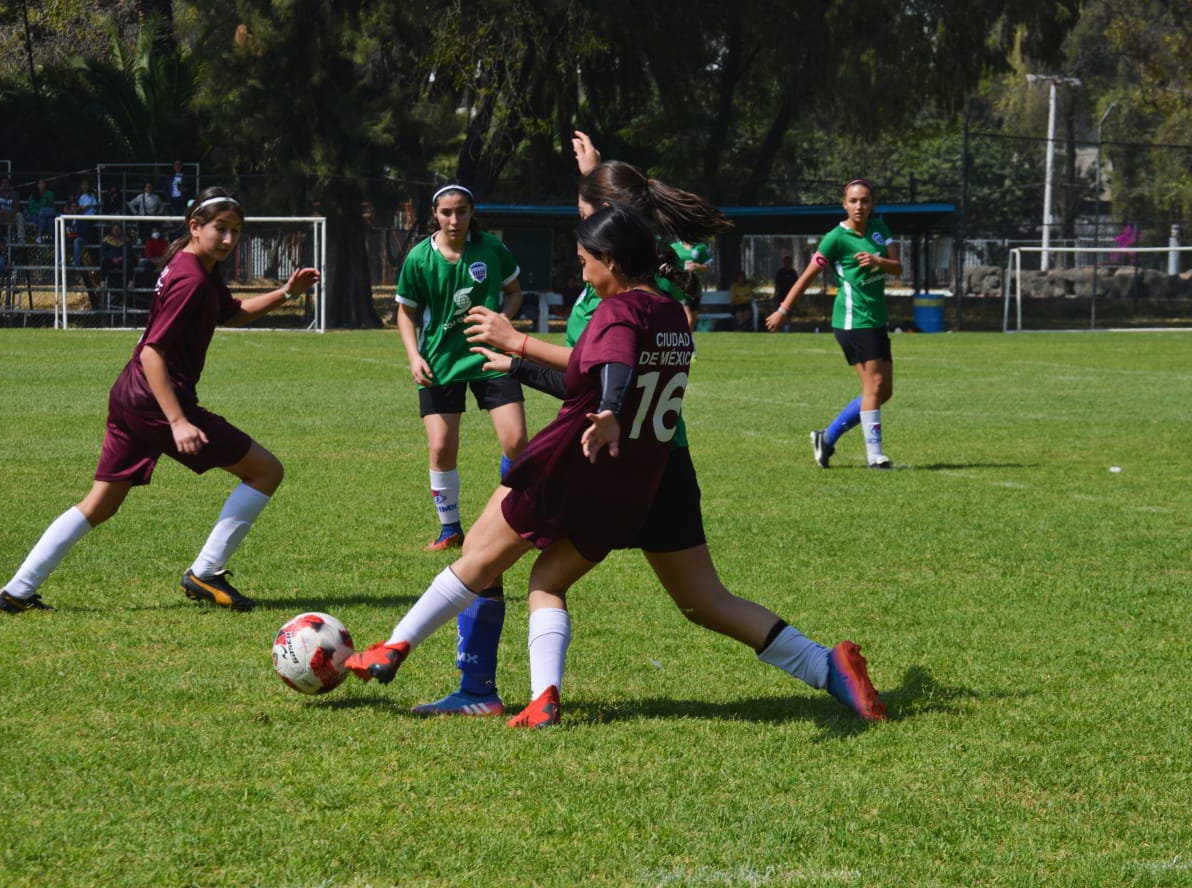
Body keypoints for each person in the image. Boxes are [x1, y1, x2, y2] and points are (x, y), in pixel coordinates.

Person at [399, 133, 885, 725]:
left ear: (612, 231)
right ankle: (824, 666)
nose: (581, 230)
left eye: (586, 217)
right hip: (665, 458)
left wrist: (523, 349)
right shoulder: (663, 286)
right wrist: (594, 172)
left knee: (491, 553)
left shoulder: (613, 300)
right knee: (704, 600)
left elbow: (606, 370)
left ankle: (459, 676)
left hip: (603, 453)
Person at [347, 204, 700, 726]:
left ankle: (393, 646)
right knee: (546, 582)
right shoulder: (673, 314)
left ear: (610, 259)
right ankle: (543, 699)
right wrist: (519, 365)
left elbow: (616, 368)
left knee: (478, 558)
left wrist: (603, 410)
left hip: (569, 465)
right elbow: (588, 377)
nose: (582, 273)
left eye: (585, 262)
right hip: (627, 487)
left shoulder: (619, 311)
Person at [0, 187, 321, 615]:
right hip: (157, 402)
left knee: (101, 503)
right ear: (195, 226)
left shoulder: (192, 265)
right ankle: (206, 572)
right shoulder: (191, 279)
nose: (228, 240)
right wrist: (178, 421)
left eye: (235, 232)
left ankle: (16, 591)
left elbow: (231, 312)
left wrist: (285, 293)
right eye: (220, 229)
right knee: (265, 471)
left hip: (130, 396)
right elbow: (153, 353)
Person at [394, 181, 528, 553]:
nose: (454, 219)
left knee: (517, 441)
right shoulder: (419, 258)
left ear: (472, 213)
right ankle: (450, 528)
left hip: (490, 357)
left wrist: (501, 321)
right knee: (440, 447)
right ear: (434, 215)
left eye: (462, 211)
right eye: (446, 212)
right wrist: (413, 357)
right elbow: (404, 314)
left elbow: (515, 291)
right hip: (440, 361)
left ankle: (519, 516)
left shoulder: (492, 249)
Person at [766, 178, 903, 470]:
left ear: (872, 204)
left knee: (884, 391)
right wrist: (783, 309)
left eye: (864, 200)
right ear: (844, 204)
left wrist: (877, 261)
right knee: (874, 386)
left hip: (876, 319)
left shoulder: (880, 230)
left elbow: (898, 267)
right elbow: (806, 276)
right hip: (853, 321)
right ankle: (875, 456)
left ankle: (826, 439)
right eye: (853, 201)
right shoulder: (835, 238)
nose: (859, 206)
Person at [670, 238, 711, 331]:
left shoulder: (701, 247)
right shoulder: (674, 247)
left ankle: (688, 340)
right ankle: (684, 340)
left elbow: (707, 267)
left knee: (693, 318)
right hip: (680, 287)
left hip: (695, 287)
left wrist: (697, 266)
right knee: (688, 317)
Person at [97, 223, 128, 309]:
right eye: (115, 229)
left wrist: (121, 257)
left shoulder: (125, 240)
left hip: (121, 260)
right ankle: (102, 281)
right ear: (111, 230)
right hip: (111, 260)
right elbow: (104, 252)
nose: (116, 231)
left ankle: (130, 281)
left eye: (118, 229)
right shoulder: (107, 239)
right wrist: (112, 258)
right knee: (104, 262)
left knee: (129, 263)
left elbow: (129, 251)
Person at [0, 177, 25, 244]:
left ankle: (21, 238)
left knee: (19, 215)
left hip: (12, 216)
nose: (4, 185)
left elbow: (17, 207)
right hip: (1, 216)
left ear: (9, 185)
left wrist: (11, 212)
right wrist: (2, 211)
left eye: (6, 183)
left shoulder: (15, 194)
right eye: (3, 183)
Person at [26, 179, 58, 243]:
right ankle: (50, 237)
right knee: (45, 218)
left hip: (48, 213)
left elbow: (52, 206)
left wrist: (42, 210)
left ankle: (41, 237)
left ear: (45, 184)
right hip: (36, 215)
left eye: (43, 183)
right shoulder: (33, 195)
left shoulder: (50, 193)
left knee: (47, 215)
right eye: (39, 183)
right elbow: (30, 209)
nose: (41, 185)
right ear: (37, 185)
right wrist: (40, 211)